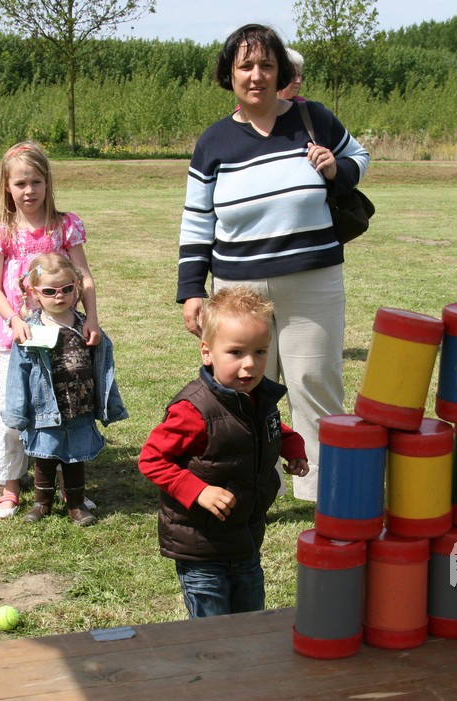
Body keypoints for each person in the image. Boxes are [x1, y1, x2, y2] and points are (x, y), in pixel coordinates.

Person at [177, 24, 369, 501]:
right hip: (238, 287)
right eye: (245, 66)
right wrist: (192, 289)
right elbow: (197, 222)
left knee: (315, 382)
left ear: (281, 71)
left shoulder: (313, 118)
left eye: (266, 65)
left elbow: (359, 157)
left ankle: (320, 489)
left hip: (313, 280)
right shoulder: (213, 142)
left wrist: (336, 169)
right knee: (244, 388)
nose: (256, 75)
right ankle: (258, 485)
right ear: (229, 74)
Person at [139, 286, 308, 618]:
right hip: (202, 546)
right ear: (207, 352)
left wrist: (293, 448)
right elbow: (151, 459)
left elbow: (270, 427)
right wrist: (197, 490)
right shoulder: (194, 410)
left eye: (260, 352)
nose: (250, 364)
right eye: (236, 352)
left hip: (245, 538)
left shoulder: (258, 397)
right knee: (213, 630)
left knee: (249, 621)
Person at [0, 140, 101, 518]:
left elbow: (83, 276)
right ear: (7, 187)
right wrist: (14, 319)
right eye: (20, 183)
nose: (29, 190)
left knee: (65, 410)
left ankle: (70, 488)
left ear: (47, 182)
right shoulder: (0, 230)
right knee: (12, 411)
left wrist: (91, 318)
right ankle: (10, 486)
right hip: (17, 338)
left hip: (63, 336)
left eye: (35, 181)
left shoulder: (65, 225)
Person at [4, 253, 127, 525]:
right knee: (45, 457)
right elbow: (18, 372)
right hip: (45, 408)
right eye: (50, 291)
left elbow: (103, 366)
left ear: (77, 287)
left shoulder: (86, 326)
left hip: (79, 405)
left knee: (75, 458)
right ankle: (42, 503)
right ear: (34, 292)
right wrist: (16, 411)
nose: (59, 296)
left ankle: (76, 504)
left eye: (67, 289)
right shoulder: (30, 331)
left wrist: (106, 403)